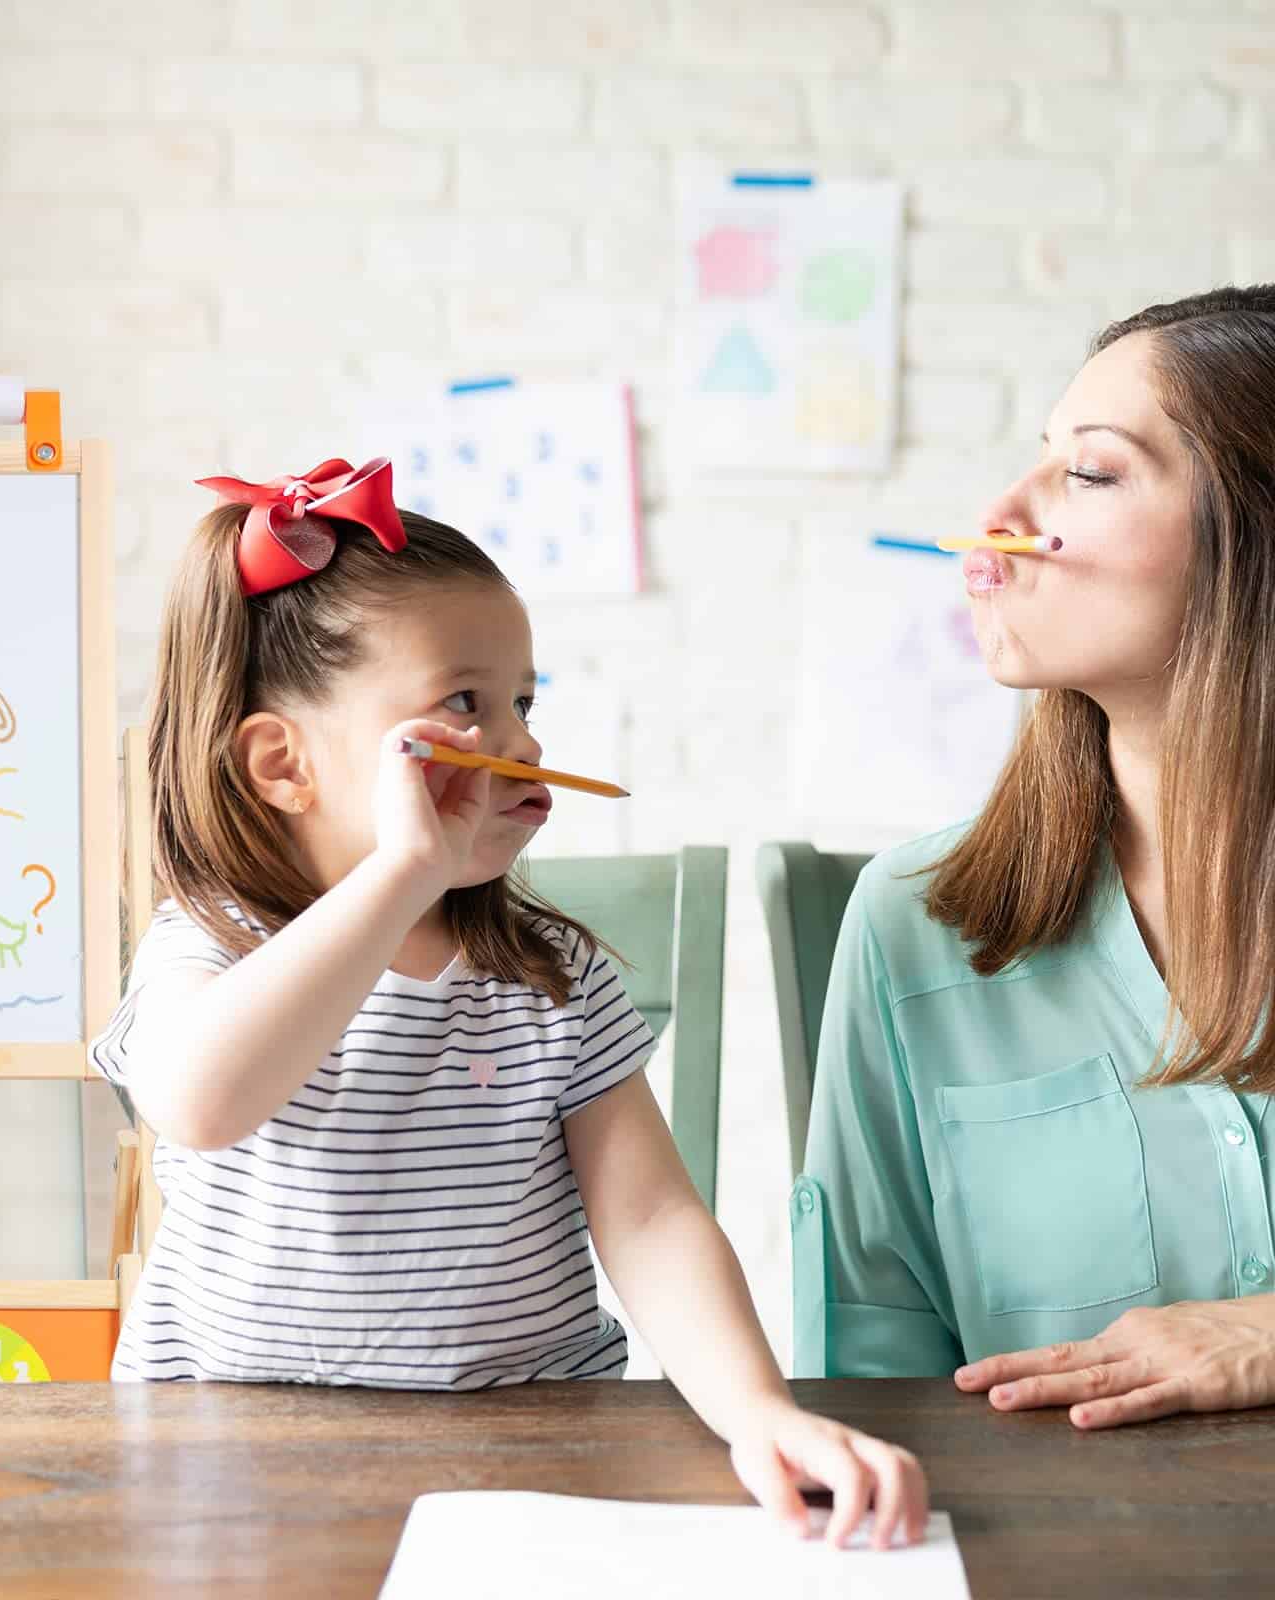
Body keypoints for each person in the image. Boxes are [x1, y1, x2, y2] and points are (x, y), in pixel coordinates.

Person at [94, 457, 926, 1546]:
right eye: (464, 704)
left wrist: (757, 1413)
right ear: (280, 764)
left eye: (523, 702)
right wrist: (402, 873)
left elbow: (651, 1218)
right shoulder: (209, 942)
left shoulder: (551, 974)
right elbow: (202, 1101)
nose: (524, 742)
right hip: (234, 1457)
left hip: (533, 1449)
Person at [795, 286, 1275, 1432]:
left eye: (1091, 473)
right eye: (1036, 461)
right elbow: (870, 1353)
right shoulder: (915, 921)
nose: (1000, 515)